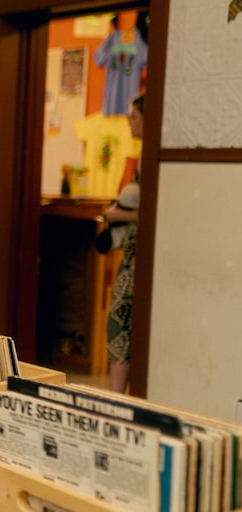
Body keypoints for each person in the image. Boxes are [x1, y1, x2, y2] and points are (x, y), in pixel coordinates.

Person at [105, 92, 144, 393]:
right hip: (132, 251)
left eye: (134, 116)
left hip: (138, 254)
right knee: (122, 319)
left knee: (121, 318)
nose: (129, 122)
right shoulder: (142, 157)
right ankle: (118, 396)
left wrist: (116, 213)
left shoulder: (151, 159)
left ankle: (118, 397)